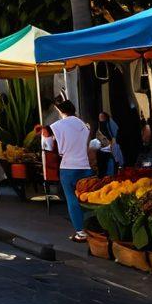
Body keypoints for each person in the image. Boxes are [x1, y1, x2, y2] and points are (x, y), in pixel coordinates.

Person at [51, 99, 92, 243]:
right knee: (87, 199)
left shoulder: (57, 125)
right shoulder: (83, 125)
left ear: (60, 111)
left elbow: (52, 146)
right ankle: (92, 230)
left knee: (72, 199)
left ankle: (80, 232)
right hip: (85, 166)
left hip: (68, 166)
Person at [95, 111, 118, 175]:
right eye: (99, 117)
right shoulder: (99, 130)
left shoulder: (110, 127)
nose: (101, 119)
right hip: (102, 155)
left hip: (110, 154)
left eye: (102, 117)